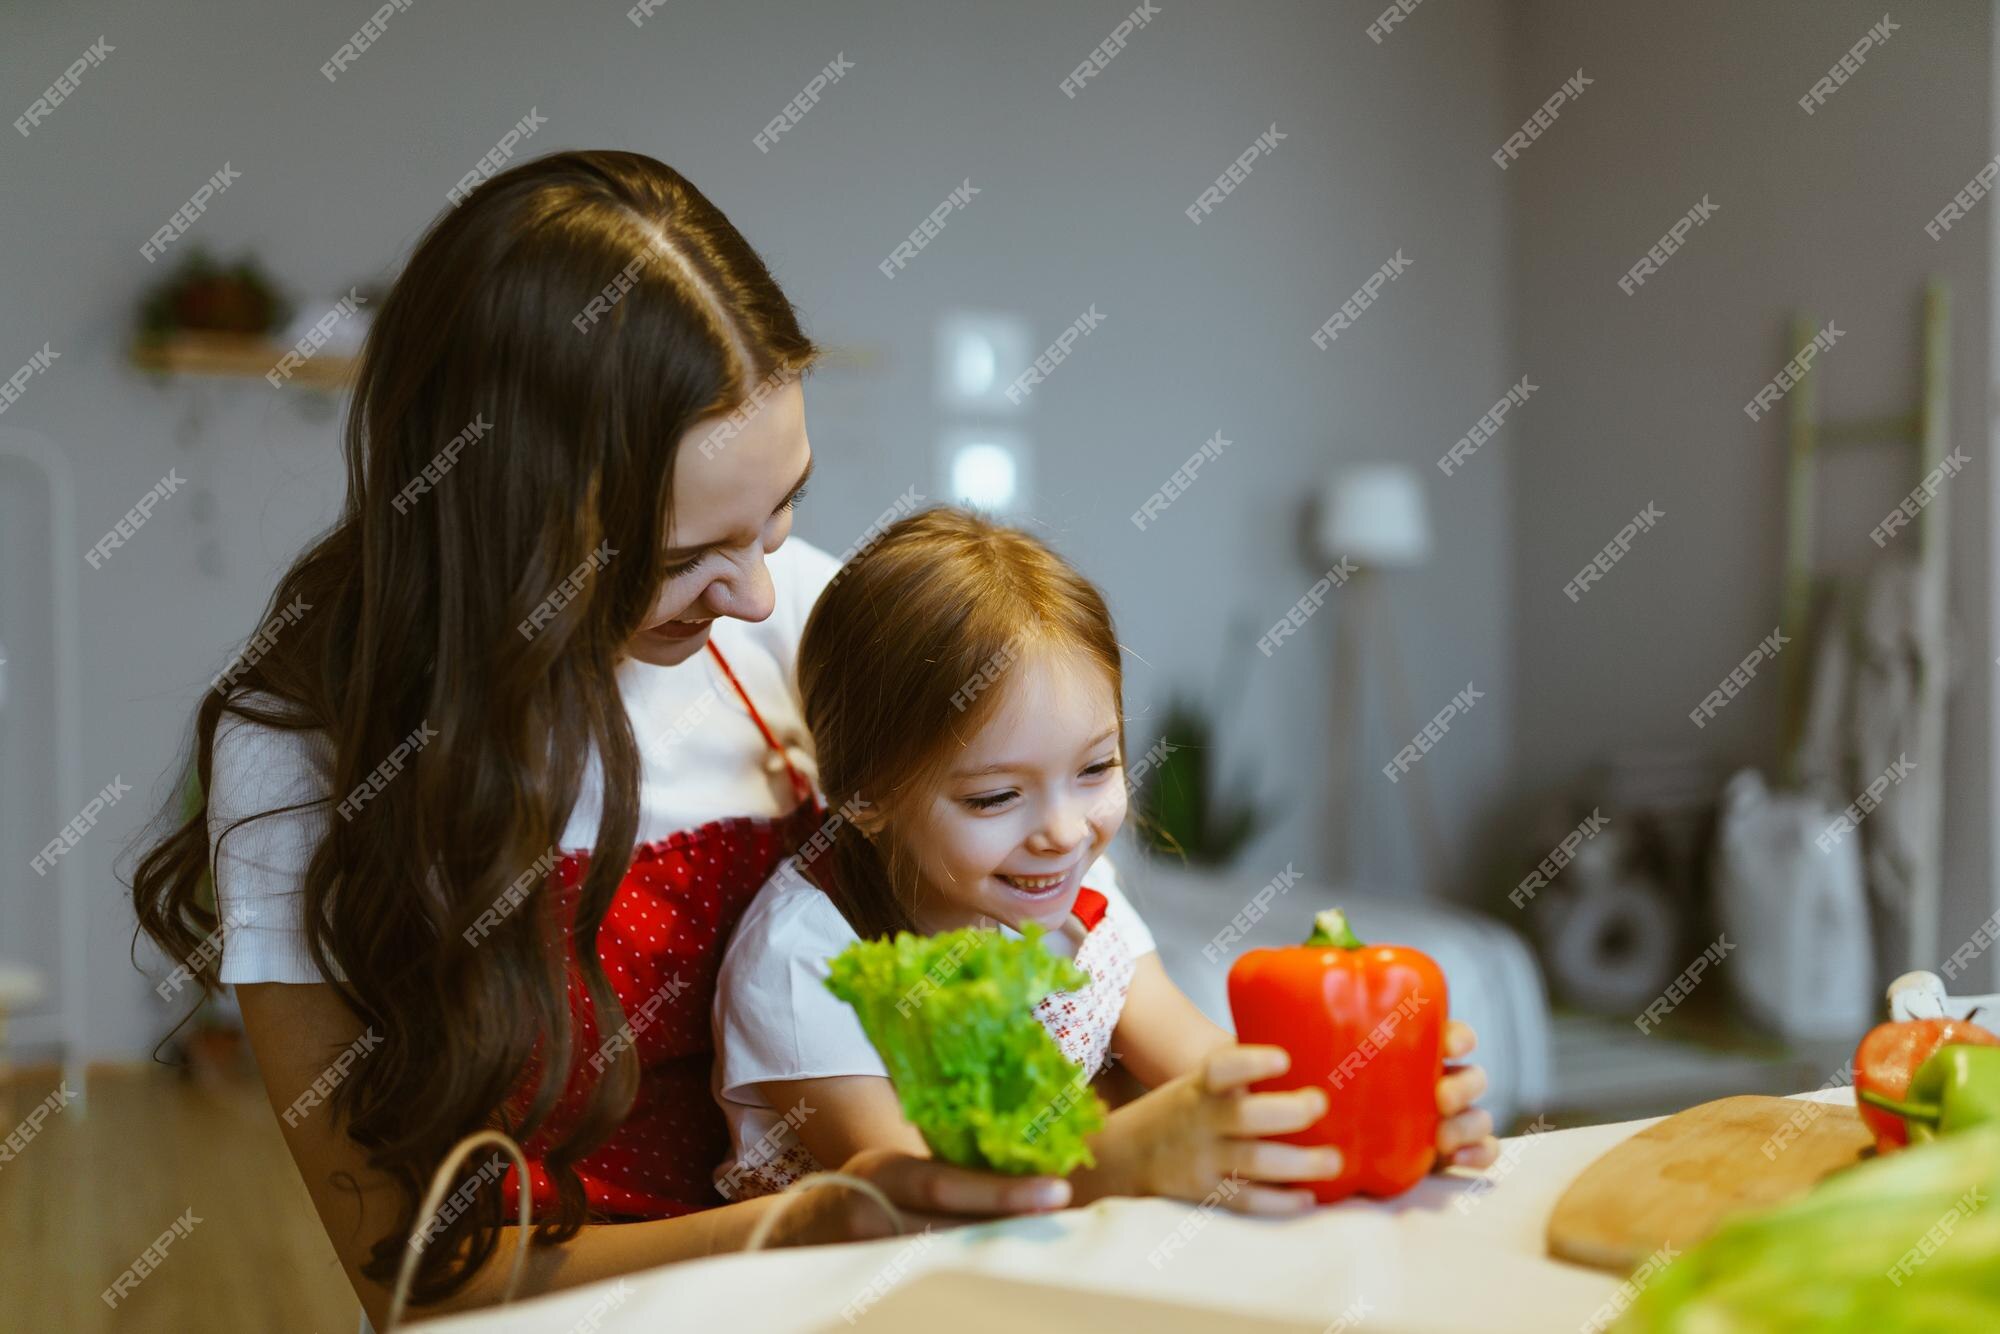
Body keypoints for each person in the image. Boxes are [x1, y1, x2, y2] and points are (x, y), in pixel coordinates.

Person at [127, 149, 1497, 1328]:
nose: (762, 593)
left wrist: (1336, 1108)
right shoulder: (306, 751)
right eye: (689, 557)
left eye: (778, 516)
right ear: (511, 536)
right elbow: (419, 1282)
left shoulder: (816, 627)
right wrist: (842, 1216)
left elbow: (1078, 948)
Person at [713, 506, 1496, 1209]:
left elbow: (1205, 1071)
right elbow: (927, 1201)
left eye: (1096, 769)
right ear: (865, 799)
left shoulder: (1084, 907)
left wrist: (1382, 1112)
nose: (1064, 833)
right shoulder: (802, 959)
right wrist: (1130, 1154)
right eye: (994, 798)